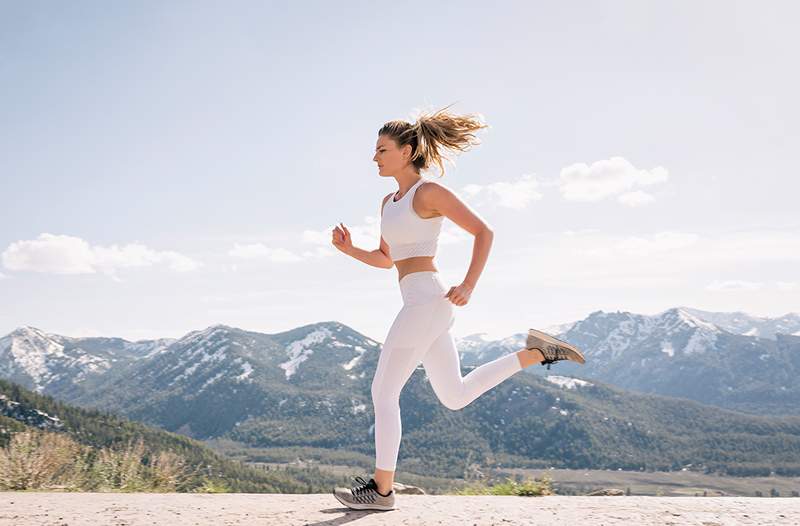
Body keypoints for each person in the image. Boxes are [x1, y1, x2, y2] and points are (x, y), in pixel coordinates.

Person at [329, 103, 585, 511]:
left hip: (428, 300)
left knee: (383, 391)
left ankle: (381, 490)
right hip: (419, 299)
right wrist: (348, 250)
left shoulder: (427, 192)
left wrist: (468, 284)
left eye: (381, 149)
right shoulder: (387, 202)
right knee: (455, 395)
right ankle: (537, 351)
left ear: (407, 152)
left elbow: (483, 231)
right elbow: (385, 258)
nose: (374, 157)